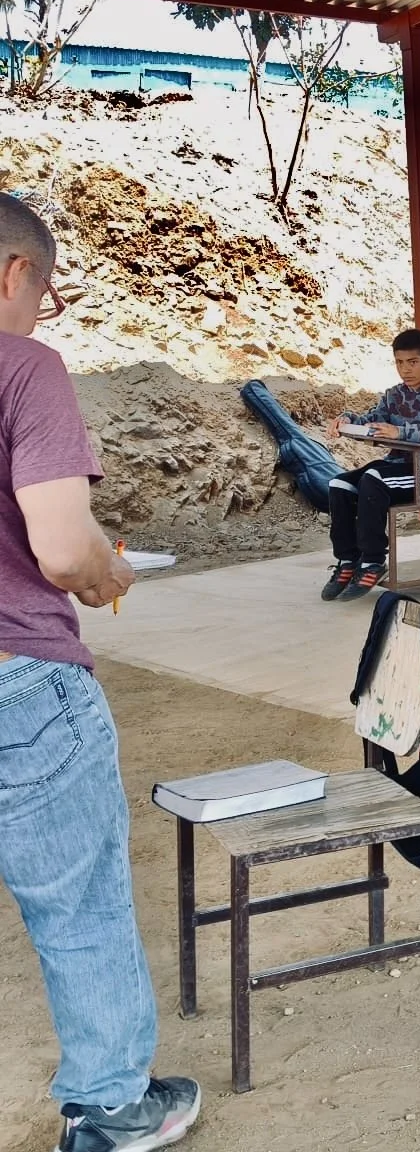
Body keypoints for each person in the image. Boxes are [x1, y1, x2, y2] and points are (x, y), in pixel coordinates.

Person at [0, 193, 201, 1151]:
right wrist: (105, 572)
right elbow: (63, 547)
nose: (43, 314)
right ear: (14, 273)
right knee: (77, 902)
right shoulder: (24, 367)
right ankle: (112, 1105)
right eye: (46, 292)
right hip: (18, 679)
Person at [323, 328, 420, 603]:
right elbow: (371, 419)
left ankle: (373, 561)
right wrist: (346, 420)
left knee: (372, 479)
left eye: (413, 362)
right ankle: (348, 560)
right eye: (399, 362)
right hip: (398, 467)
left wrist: (401, 433)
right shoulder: (395, 395)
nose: (405, 370)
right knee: (339, 484)